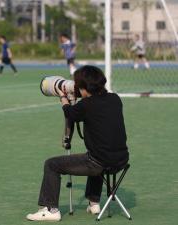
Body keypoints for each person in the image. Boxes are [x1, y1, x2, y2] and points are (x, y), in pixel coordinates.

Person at [26, 65, 129, 221]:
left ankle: (50, 209)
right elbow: (93, 105)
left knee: (52, 164)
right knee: (99, 154)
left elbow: (70, 113)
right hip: (121, 161)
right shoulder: (115, 99)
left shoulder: (86, 105)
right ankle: (94, 203)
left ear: (84, 87)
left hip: (99, 163)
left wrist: (62, 96)